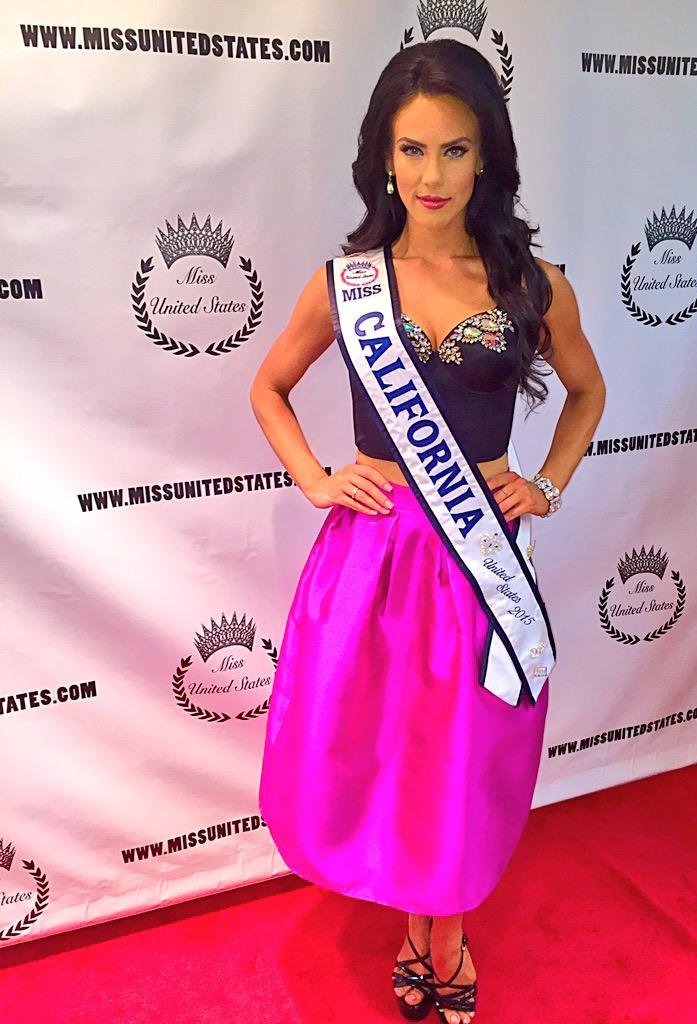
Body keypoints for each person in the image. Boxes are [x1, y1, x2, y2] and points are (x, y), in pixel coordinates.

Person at [250, 38, 605, 1024]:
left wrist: (547, 484)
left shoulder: (534, 285)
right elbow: (269, 387)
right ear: (383, 157)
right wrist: (318, 478)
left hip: (476, 560)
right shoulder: (346, 284)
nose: (432, 174)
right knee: (386, 745)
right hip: (373, 558)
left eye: (454, 149)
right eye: (412, 150)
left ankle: (441, 934)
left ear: (486, 156)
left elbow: (587, 394)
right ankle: (423, 926)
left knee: (459, 751)